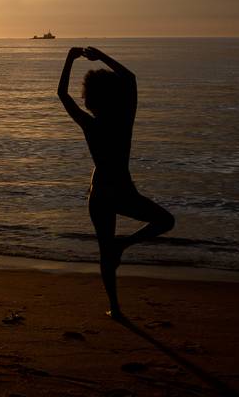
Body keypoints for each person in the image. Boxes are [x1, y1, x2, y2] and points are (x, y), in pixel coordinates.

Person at [57, 46, 175, 319]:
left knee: (105, 251)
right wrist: (102, 56)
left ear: (90, 99)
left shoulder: (90, 124)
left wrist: (69, 59)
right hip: (121, 191)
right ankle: (124, 246)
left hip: (99, 194)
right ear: (114, 96)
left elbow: (62, 94)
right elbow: (131, 79)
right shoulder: (124, 121)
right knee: (165, 221)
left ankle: (116, 307)